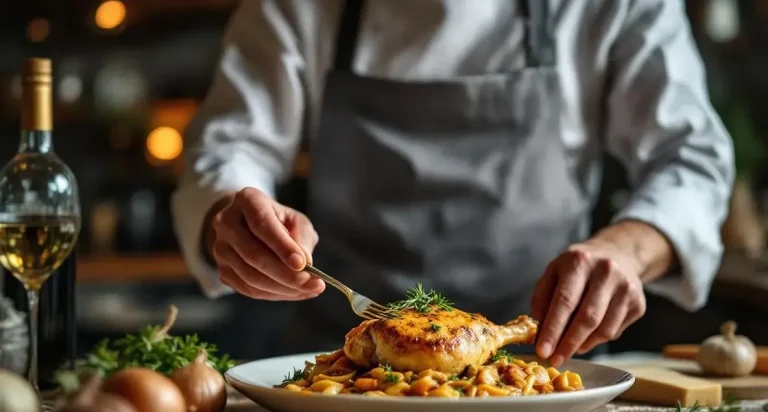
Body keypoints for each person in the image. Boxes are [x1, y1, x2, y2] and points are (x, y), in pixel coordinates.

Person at [172, 0, 734, 368]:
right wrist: (233, 214)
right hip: (343, 376)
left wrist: (626, 250)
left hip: (546, 370)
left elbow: (691, 157)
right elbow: (229, 147)